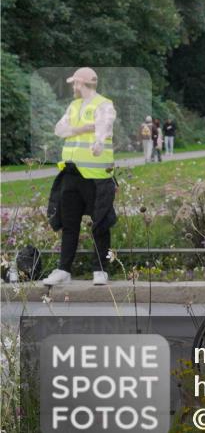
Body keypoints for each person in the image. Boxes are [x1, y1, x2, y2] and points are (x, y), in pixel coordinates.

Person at [43, 67, 117, 286]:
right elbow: (60, 129)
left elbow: (104, 126)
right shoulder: (74, 106)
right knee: (69, 223)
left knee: (100, 222)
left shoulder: (104, 104)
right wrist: (86, 127)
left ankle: (100, 269)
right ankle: (63, 269)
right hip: (71, 173)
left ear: (84, 84)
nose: (73, 87)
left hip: (95, 175)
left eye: (75, 83)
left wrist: (98, 139)